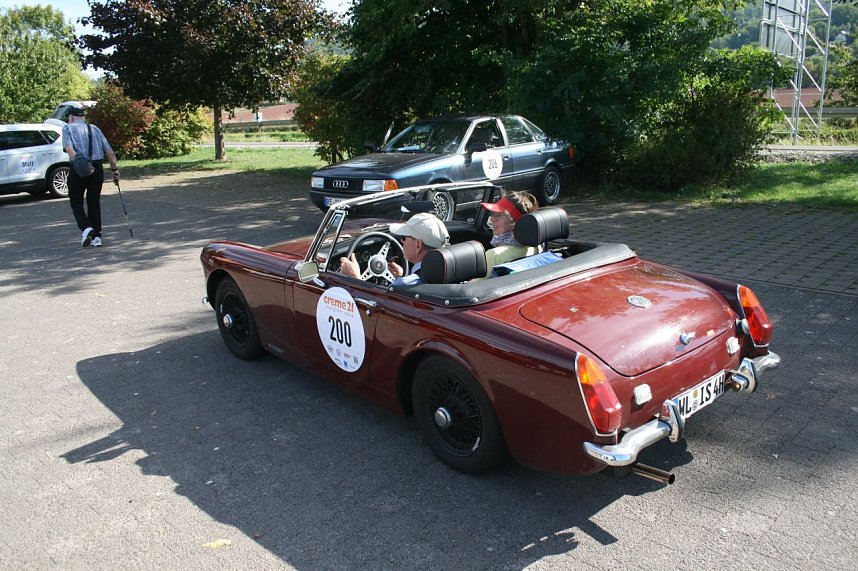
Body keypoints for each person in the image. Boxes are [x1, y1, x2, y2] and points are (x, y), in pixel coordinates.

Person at [62, 107, 120, 248]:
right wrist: (115, 171)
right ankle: (97, 238)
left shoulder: (67, 128)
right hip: (97, 168)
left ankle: (87, 229)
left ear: (71, 117)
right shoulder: (94, 128)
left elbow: (69, 149)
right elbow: (110, 153)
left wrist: (82, 165)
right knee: (94, 202)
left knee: (76, 202)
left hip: (78, 168)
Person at [340, 212, 450, 285]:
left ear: (418, 245)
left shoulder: (404, 285)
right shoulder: (452, 273)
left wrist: (355, 278)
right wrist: (404, 276)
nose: (401, 241)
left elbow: (379, 308)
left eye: (404, 237)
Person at [479, 190, 539, 278]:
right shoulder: (537, 247)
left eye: (499, 215)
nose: (492, 219)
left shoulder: (494, 255)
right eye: (493, 214)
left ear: (514, 222)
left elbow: (472, 287)